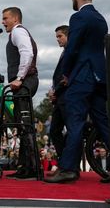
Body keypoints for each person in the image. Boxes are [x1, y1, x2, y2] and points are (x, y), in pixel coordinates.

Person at [45, 0, 110, 184]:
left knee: (75, 123)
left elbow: (72, 48)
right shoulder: (101, 19)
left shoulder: (78, 18)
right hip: (100, 78)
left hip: (82, 77)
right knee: (103, 123)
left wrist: (66, 72)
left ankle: (67, 169)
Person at [2, 7, 39, 180]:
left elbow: (27, 53)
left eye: (5, 18)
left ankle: (32, 168)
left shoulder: (18, 32)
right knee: (22, 124)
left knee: (25, 125)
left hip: (25, 81)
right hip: (24, 82)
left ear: (15, 19)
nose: (3, 22)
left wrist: (19, 78)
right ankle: (25, 166)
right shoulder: (15, 33)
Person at [48, 25, 69, 161]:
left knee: (71, 132)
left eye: (60, 36)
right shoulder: (64, 53)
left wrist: (56, 91)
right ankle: (63, 161)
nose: (57, 39)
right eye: (56, 37)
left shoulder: (71, 53)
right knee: (54, 131)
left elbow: (67, 76)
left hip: (67, 97)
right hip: (59, 98)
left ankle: (67, 163)